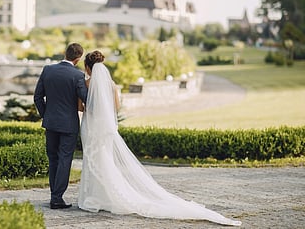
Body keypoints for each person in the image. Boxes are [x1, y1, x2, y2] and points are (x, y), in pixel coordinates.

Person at [77, 50, 242, 226]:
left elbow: (81, 108)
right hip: (106, 127)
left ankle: (94, 197)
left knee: (93, 158)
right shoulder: (111, 85)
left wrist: (90, 107)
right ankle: (107, 196)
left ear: (88, 67)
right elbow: (116, 107)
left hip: (91, 126)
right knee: (106, 159)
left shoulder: (85, 84)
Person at [34, 43, 88, 209]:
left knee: (53, 159)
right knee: (64, 159)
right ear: (78, 59)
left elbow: (37, 97)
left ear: (65, 54)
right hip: (68, 126)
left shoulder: (47, 70)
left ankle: (54, 196)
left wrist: (46, 114)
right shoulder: (77, 75)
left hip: (51, 123)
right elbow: (86, 99)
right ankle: (56, 198)